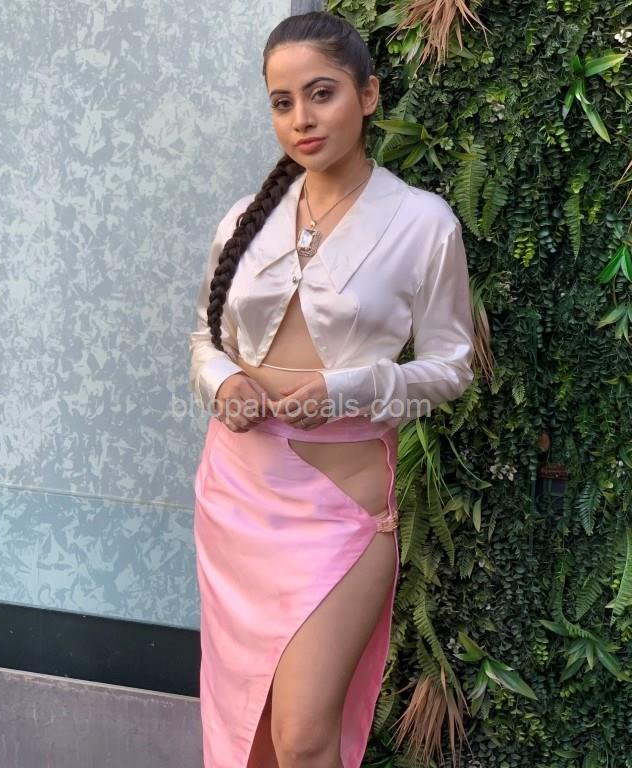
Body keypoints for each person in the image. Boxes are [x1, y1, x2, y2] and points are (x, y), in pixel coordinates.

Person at [189, 10, 477, 768]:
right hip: (235, 495)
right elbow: (205, 340)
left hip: (341, 510)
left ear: (368, 95)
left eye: (322, 94)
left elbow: (452, 366)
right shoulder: (244, 220)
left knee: (304, 734)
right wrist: (224, 382)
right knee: (248, 724)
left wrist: (352, 388)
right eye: (282, 103)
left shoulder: (423, 223)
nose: (302, 119)